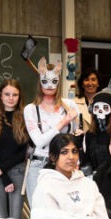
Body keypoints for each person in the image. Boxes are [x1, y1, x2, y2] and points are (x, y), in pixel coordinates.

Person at [31, 133, 111, 219]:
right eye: (64, 152)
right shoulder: (45, 187)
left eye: (74, 151)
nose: (71, 157)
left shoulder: (88, 184)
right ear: (53, 157)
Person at [23, 58, 79, 202]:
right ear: (39, 81)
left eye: (54, 81)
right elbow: (39, 141)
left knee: (63, 209)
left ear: (59, 82)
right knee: (39, 211)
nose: (49, 85)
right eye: (45, 81)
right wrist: (63, 122)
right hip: (39, 165)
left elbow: (76, 137)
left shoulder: (69, 105)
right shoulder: (31, 109)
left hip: (64, 165)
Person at [0, 79, 31, 219]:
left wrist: (4, 167)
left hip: (18, 171)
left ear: (19, 97)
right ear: (0, 95)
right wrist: (3, 176)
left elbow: (25, 150)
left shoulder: (25, 118)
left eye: (15, 95)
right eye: (7, 94)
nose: (11, 98)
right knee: (0, 217)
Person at [84, 91, 111, 174]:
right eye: (97, 108)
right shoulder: (90, 134)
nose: (100, 111)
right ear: (92, 110)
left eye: (105, 108)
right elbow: (87, 160)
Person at [74, 68, 100, 134]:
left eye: (93, 80)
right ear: (82, 84)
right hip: (80, 141)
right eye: (86, 80)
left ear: (98, 83)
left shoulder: (104, 102)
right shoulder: (73, 102)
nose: (90, 83)